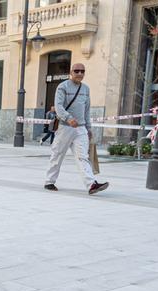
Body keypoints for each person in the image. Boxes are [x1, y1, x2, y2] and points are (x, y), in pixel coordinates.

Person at [44, 63, 109, 195]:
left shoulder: (86, 89)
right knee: (57, 154)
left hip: (81, 129)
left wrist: (88, 128)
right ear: (71, 72)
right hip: (65, 127)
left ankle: (91, 185)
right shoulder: (62, 87)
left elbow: (86, 109)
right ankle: (49, 181)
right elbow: (58, 106)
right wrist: (68, 118)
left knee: (83, 157)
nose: (79, 73)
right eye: (76, 71)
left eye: (82, 71)